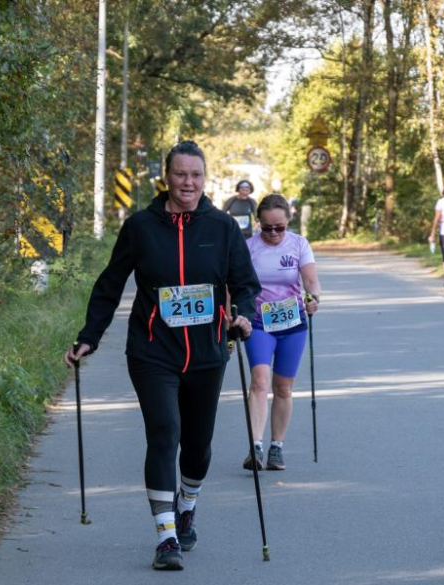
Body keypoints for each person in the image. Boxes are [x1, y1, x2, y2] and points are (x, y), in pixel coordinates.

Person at [64, 141, 260, 571]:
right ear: (166, 177)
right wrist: (88, 338)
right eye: (180, 174)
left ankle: (187, 504)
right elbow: (110, 284)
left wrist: (244, 315)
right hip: (153, 352)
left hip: (208, 353)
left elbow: (245, 284)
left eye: (196, 175)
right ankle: (166, 536)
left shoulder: (223, 227)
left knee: (197, 447)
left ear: (204, 179)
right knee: (164, 433)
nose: (188, 183)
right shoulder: (140, 227)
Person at [240, 194, 320, 472]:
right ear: (258, 223)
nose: (273, 233)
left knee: (283, 387)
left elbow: (310, 279)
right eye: (267, 227)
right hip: (259, 324)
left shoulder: (299, 244)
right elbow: (235, 282)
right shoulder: (248, 247)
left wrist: (314, 298)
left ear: (288, 222)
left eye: (280, 227)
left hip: (292, 324)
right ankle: (256, 447)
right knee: (260, 381)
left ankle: (277, 446)